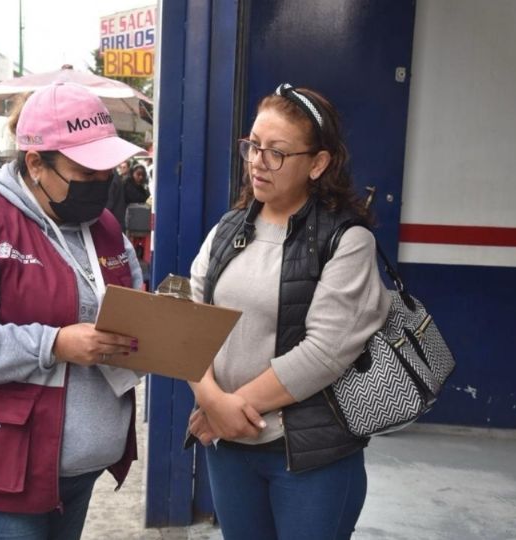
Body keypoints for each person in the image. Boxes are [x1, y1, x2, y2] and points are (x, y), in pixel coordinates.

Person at [0, 82, 146, 539]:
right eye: (86, 171)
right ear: (36, 163)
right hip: (0, 471)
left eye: (107, 170)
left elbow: (131, 302)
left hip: (80, 468)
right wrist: (54, 343)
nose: (102, 183)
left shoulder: (103, 226)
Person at [186, 83, 390, 540]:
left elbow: (325, 351)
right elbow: (189, 316)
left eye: (276, 152)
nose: (258, 162)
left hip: (309, 457)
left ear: (317, 164)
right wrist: (209, 397)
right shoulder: (229, 228)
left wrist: (230, 407)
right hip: (229, 449)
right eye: (253, 146)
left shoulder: (347, 240)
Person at [105, 159, 130, 225]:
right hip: (117, 218)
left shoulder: (111, 178)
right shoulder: (114, 176)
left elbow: (109, 204)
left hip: (112, 220)